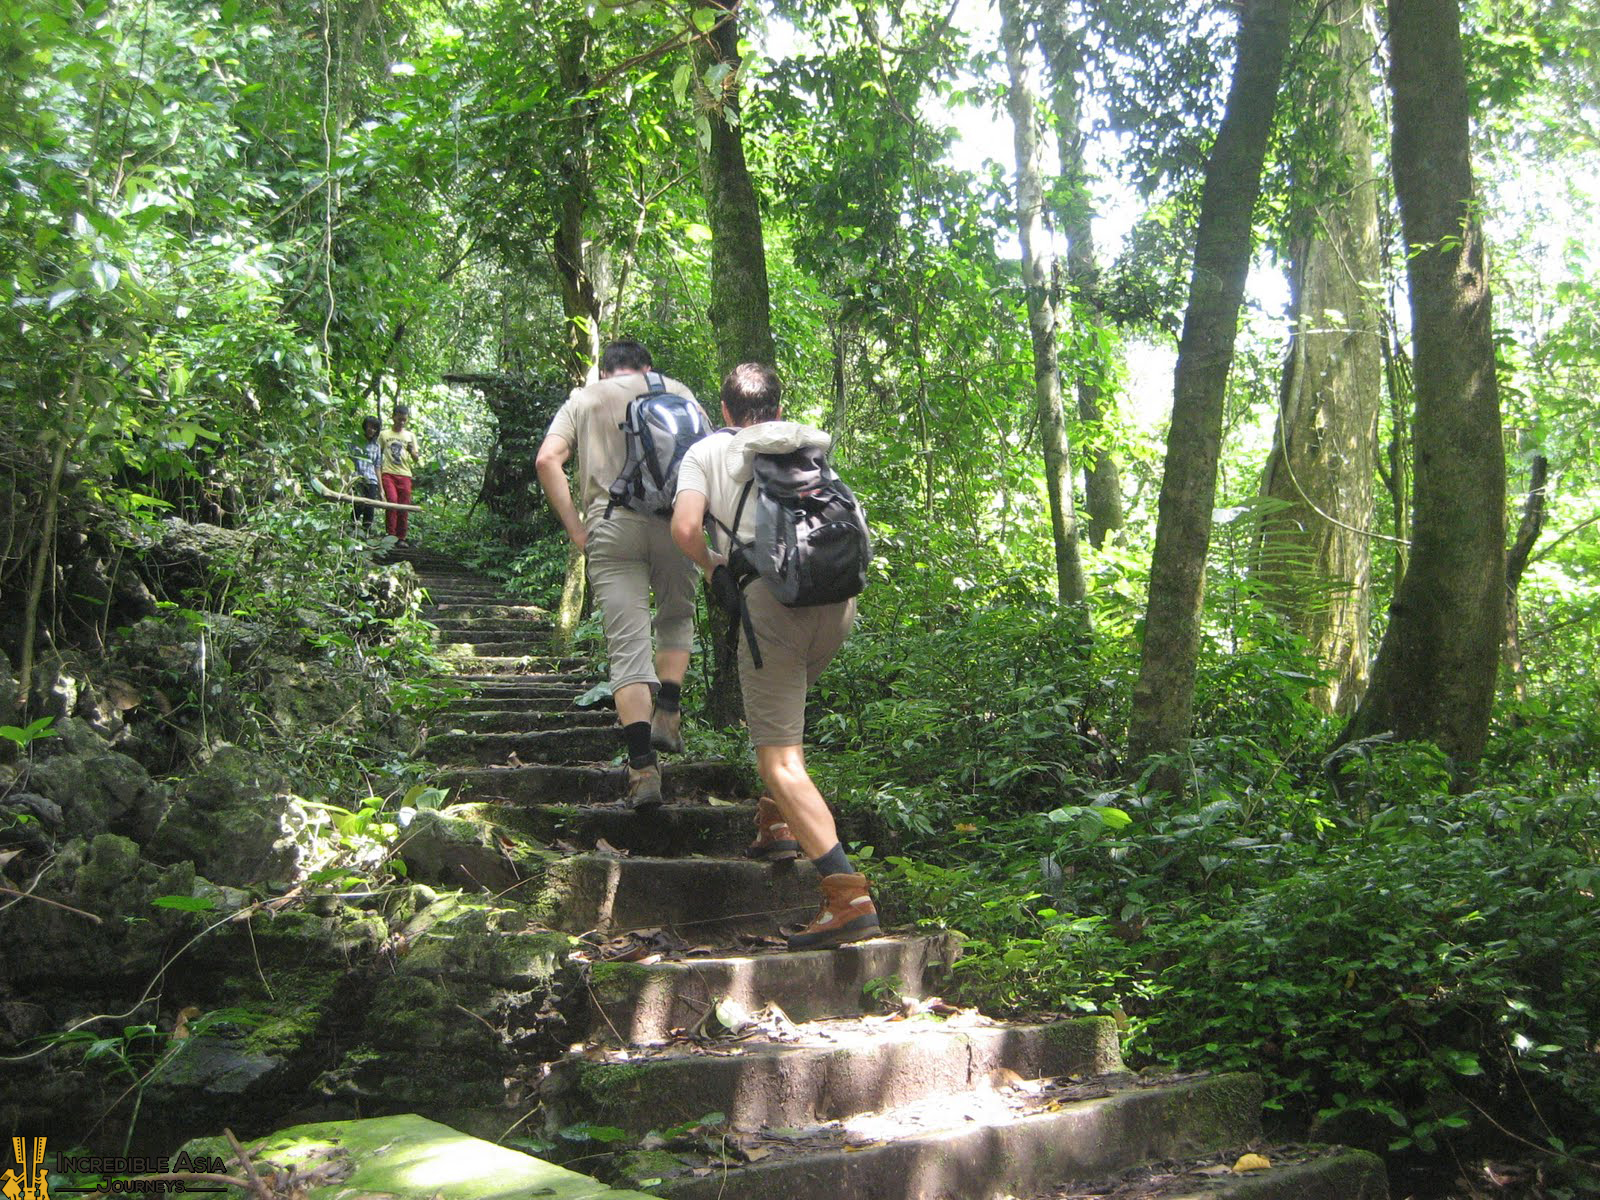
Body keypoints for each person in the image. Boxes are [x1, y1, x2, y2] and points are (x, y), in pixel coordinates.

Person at [671, 362, 879, 951]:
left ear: (727, 409)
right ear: (778, 405)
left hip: (773, 606)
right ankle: (777, 823)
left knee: (780, 759)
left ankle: (848, 897)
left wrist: (713, 565)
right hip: (837, 603)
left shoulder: (708, 450)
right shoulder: (805, 447)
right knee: (784, 720)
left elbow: (687, 527)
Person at [536, 339, 710, 809]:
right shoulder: (680, 390)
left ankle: (642, 768)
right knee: (676, 614)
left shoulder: (585, 399)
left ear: (604, 370)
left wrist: (576, 528)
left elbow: (547, 459)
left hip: (611, 527)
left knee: (627, 644)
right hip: (676, 522)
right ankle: (669, 709)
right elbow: (709, 459)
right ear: (646, 367)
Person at [378, 403, 420, 543]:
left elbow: (416, 458)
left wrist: (411, 451)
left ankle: (401, 537)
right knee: (392, 502)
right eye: (399, 419)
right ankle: (391, 535)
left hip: (405, 474)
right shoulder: (384, 434)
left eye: (404, 420)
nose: (401, 422)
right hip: (388, 473)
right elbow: (377, 454)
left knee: (404, 506)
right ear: (393, 417)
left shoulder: (410, 435)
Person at [348, 415, 383, 530]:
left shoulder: (377, 446)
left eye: (374, 428)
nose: (371, 430)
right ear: (365, 426)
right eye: (369, 426)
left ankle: (366, 533)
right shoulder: (355, 442)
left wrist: (381, 488)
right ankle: (351, 530)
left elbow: (377, 466)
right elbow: (348, 460)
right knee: (358, 505)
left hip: (372, 480)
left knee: (370, 507)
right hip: (358, 478)